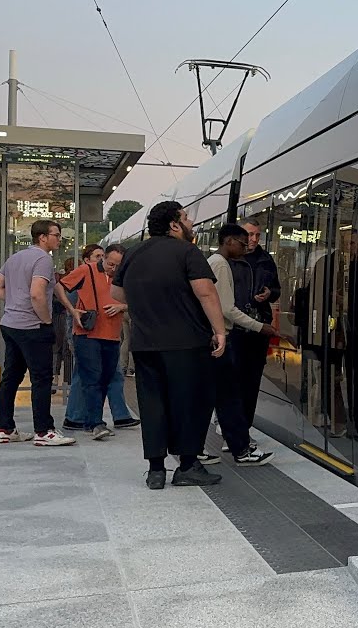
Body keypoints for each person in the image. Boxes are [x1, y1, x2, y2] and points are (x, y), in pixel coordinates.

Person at [112, 201, 227, 490]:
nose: (191, 223)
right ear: (174, 225)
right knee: (189, 404)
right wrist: (220, 331)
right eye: (186, 218)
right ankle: (188, 465)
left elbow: (117, 293)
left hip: (145, 344)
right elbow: (206, 293)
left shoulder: (133, 253)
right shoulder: (187, 252)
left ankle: (155, 470)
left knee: (152, 404)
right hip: (186, 343)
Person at [0, 219, 75, 446]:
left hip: (10, 324)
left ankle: (5, 428)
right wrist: (46, 321)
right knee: (41, 378)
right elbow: (37, 294)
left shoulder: (16, 257)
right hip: (32, 326)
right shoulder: (43, 259)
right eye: (56, 234)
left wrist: (16, 302)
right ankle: (44, 431)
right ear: (43, 237)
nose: (59, 238)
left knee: (11, 377)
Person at [206, 223, 276, 466]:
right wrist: (260, 326)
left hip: (219, 336)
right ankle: (241, 449)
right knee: (228, 396)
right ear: (229, 242)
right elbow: (226, 308)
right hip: (220, 337)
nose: (246, 248)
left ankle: (233, 446)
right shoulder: (221, 265)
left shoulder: (219, 262)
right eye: (243, 243)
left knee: (224, 396)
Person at [55, 244, 127, 440]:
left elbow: (138, 299)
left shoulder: (123, 276)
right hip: (87, 333)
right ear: (103, 258)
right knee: (92, 377)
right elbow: (59, 286)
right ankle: (95, 423)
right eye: (110, 263)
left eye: (117, 265)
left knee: (105, 377)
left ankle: (90, 421)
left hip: (111, 335)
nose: (113, 268)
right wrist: (72, 310)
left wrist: (122, 306)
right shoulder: (86, 270)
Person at [233, 219, 282, 429]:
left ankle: (243, 429)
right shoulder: (228, 258)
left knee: (252, 381)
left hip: (259, 326)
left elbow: (277, 289)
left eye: (257, 235)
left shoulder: (265, 260)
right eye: (249, 234)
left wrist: (270, 293)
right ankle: (231, 427)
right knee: (234, 379)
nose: (253, 239)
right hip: (234, 327)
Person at [51, 257, 77, 393]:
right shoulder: (75, 279)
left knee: (56, 349)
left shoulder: (59, 279)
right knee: (67, 351)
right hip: (67, 316)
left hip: (57, 316)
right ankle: (68, 381)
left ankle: (54, 379)